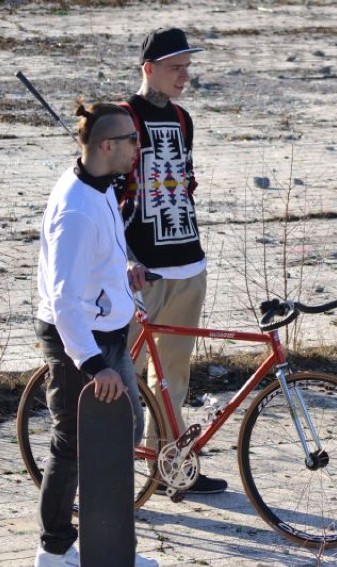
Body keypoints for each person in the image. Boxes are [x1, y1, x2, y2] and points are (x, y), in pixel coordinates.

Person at [34, 100, 157, 566]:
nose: (136, 146)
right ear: (106, 145)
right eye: (130, 139)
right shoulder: (77, 210)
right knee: (72, 445)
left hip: (107, 330)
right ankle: (53, 551)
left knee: (123, 432)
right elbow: (64, 300)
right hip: (77, 339)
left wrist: (123, 269)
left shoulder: (102, 185)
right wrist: (92, 364)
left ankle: (108, 547)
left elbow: (103, 249)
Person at [119, 27, 226, 495]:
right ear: (149, 69)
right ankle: (108, 470)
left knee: (173, 378)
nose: (186, 76)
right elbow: (106, 198)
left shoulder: (183, 119)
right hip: (141, 272)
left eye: (187, 66)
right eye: (175, 68)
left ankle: (170, 466)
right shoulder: (120, 119)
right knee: (124, 373)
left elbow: (183, 183)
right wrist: (123, 259)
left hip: (188, 264)